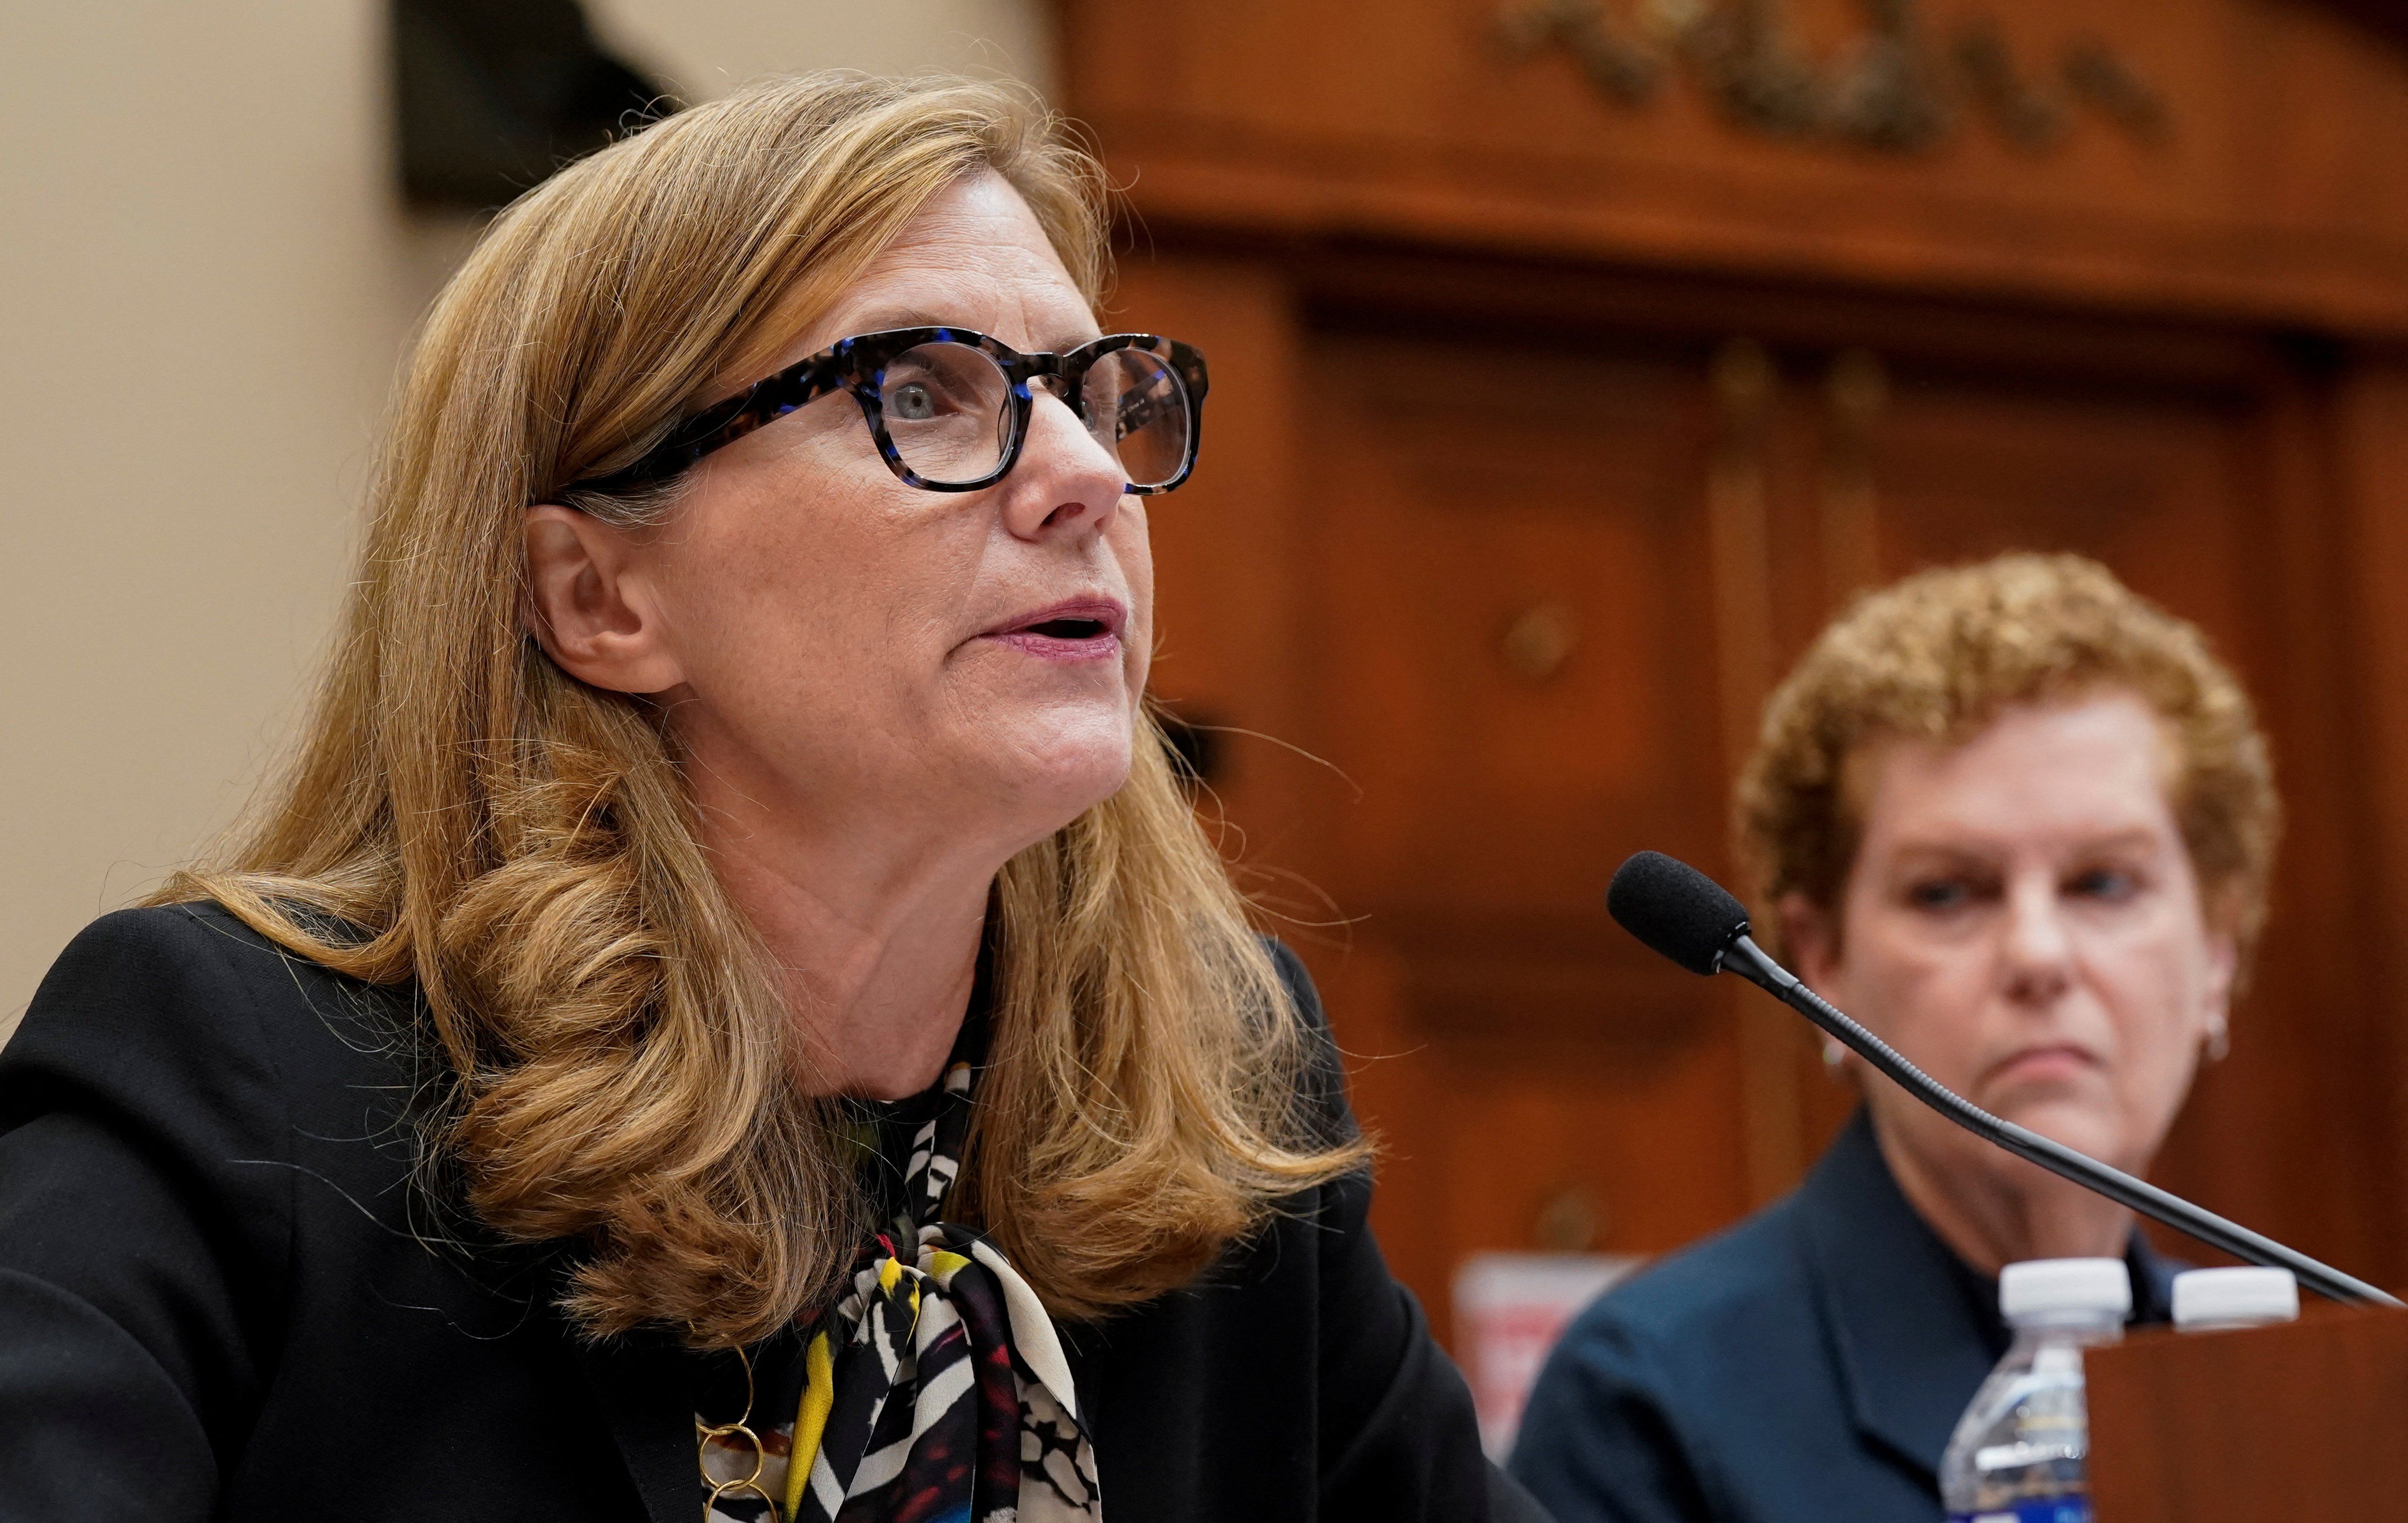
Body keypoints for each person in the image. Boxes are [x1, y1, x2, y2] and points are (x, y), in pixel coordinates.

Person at [0, 73, 1544, 1522]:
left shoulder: (1222, 1085)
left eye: (1094, 393)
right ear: (599, 596)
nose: (1085, 474)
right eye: (922, 393)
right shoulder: (238, 1082)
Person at [1511, 553, 2277, 1523]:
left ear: (2216, 953)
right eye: (1947, 892)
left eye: (2103, 883)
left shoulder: (2286, 1381)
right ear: (1821, 960)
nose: (2038, 954)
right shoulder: (1648, 1401)